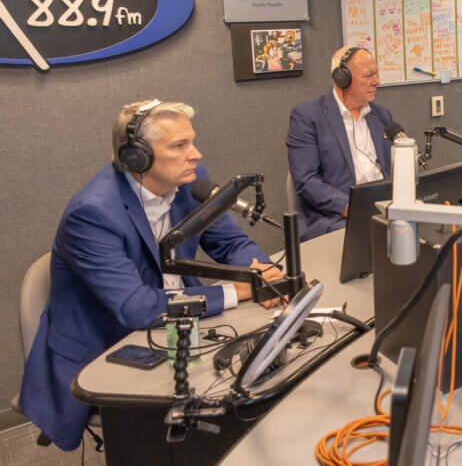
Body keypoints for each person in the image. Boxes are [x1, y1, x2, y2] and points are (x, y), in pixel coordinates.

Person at [19, 100, 282, 451]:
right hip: (111, 344)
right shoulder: (92, 214)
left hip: (178, 326)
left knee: (249, 384)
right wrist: (240, 291)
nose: (196, 155)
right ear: (136, 158)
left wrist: (263, 274)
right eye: (180, 146)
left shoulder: (192, 182)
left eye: (192, 142)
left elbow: (231, 242)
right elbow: (137, 308)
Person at [287, 46, 393, 240]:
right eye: (368, 76)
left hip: (384, 212)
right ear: (342, 78)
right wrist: (352, 207)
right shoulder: (308, 117)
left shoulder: (382, 116)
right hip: (335, 218)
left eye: (376, 74)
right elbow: (306, 180)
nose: (376, 82)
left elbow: (392, 168)